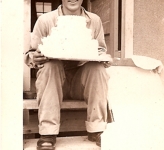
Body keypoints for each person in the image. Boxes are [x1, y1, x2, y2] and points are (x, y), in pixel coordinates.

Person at [24, 0, 114, 149]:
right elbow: (30, 54)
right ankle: (48, 133)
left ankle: (96, 129)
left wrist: (103, 58)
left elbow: (100, 50)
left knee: (96, 69)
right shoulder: (45, 20)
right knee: (51, 66)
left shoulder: (94, 20)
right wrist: (35, 56)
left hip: (81, 83)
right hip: (53, 83)